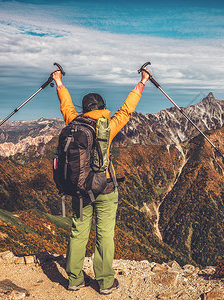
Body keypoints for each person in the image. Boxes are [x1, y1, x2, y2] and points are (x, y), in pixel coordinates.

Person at [52, 66, 150, 295]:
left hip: (79, 190)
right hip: (105, 189)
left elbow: (65, 105)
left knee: (78, 232)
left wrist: (58, 82)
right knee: (105, 235)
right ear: (103, 108)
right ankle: (105, 282)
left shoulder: (74, 122)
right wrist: (142, 82)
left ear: (84, 109)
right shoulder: (108, 126)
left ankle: (75, 279)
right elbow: (126, 110)